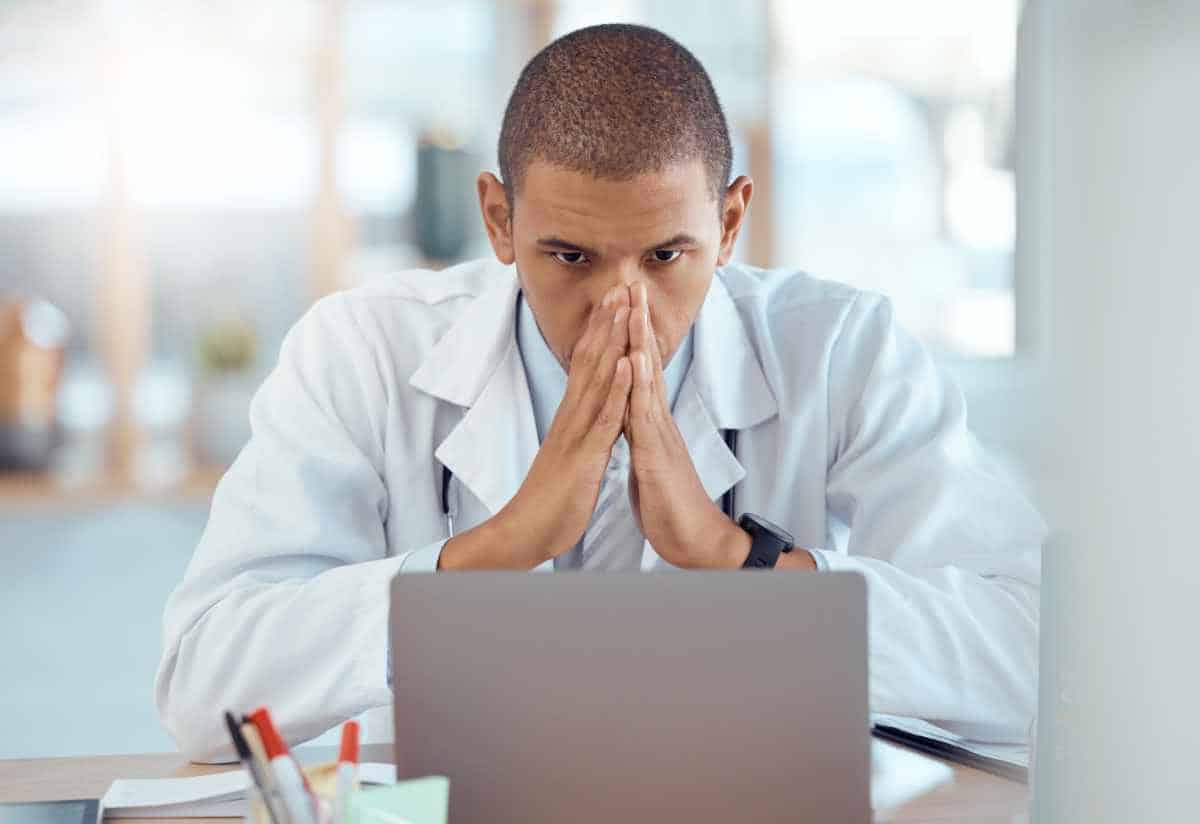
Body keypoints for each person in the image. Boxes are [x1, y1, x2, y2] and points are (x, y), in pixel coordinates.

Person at [157, 23, 1044, 762]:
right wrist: (492, 552)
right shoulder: (363, 346)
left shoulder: (841, 348)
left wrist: (743, 562)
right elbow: (203, 686)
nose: (623, 305)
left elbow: (1038, 660)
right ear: (500, 222)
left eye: (666, 256)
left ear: (729, 222)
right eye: (571, 256)